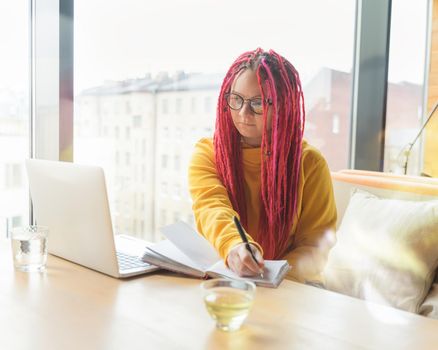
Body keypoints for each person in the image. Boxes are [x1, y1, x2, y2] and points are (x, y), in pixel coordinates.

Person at [188, 48, 337, 284]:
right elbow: (211, 207)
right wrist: (235, 246)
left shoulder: (310, 164)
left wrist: (269, 276)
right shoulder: (207, 153)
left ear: (283, 106)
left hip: (289, 290)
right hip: (222, 283)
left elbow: (316, 245)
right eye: (236, 99)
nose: (243, 113)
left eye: (258, 103)